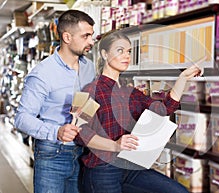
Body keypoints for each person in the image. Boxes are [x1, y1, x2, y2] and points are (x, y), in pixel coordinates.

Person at [75, 30, 204, 193]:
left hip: (131, 166)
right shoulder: (90, 90)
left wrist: (183, 78)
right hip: (102, 169)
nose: (126, 56)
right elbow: (79, 131)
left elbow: (164, 109)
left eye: (129, 51)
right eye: (120, 51)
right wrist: (114, 145)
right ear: (104, 54)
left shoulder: (131, 92)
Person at [14, 10, 96, 193]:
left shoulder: (89, 67)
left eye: (91, 35)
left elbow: (90, 102)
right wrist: (57, 131)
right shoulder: (43, 74)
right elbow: (21, 118)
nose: (91, 41)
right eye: (86, 36)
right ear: (67, 37)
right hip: (52, 154)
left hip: (83, 152)